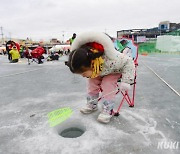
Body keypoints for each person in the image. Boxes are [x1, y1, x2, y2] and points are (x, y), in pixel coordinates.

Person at [65, 32, 135, 123]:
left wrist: (126, 81)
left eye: (83, 73)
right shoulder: (93, 66)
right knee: (92, 82)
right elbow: (91, 74)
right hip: (99, 71)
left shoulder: (114, 59)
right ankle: (92, 104)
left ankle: (107, 109)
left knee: (107, 83)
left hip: (114, 70)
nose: (83, 76)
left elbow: (129, 62)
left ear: (92, 63)